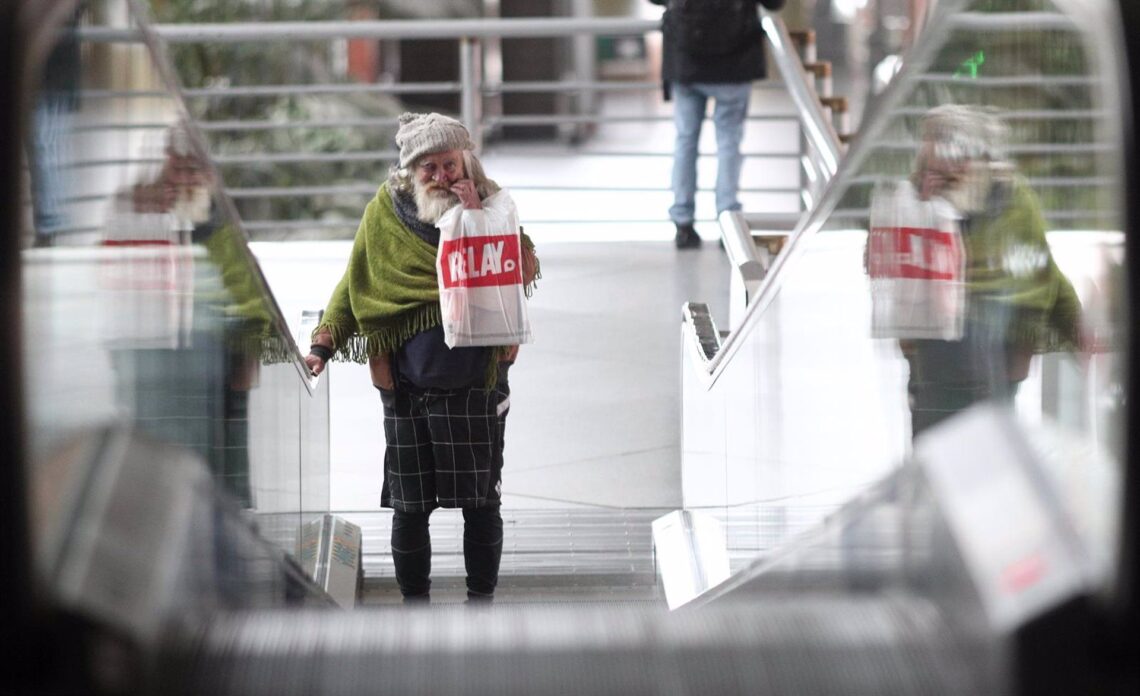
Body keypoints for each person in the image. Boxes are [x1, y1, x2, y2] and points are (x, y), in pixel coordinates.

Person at [306, 112, 538, 604]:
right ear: (410, 171)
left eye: (449, 164)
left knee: (482, 503)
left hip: (477, 382)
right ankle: (415, 606)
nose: (441, 176)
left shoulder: (493, 203)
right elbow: (355, 282)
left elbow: (523, 265)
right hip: (407, 389)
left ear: (466, 161)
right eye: (428, 167)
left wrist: (476, 220)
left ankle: (482, 602)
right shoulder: (384, 215)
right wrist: (324, 342)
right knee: (409, 509)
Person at [887, 105, 1083, 437]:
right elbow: (898, 267)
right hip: (936, 351)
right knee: (939, 439)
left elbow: (1039, 266)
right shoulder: (918, 196)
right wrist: (928, 209)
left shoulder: (1010, 195)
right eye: (929, 154)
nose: (939, 168)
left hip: (1001, 348)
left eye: (950, 153)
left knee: (986, 440)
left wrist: (1074, 325)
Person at [649, 0, 787, 249]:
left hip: (686, 58)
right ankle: (728, 220)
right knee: (729, 143)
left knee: (685, 142)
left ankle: (683, 222)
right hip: (735, 61)